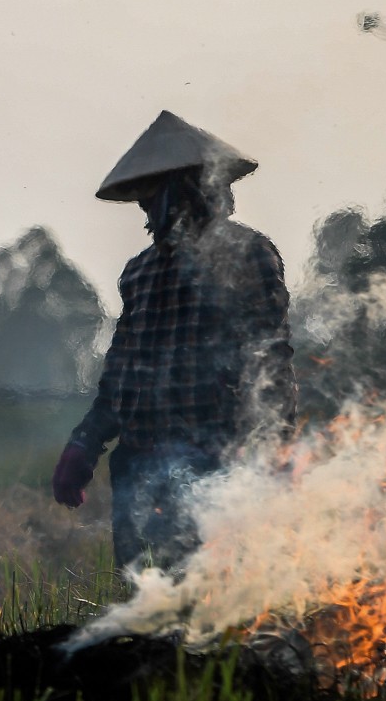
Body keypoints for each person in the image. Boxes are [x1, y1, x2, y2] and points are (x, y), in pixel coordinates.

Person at [51, 111, 296, 568]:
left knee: (210, 608)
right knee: (147, 610)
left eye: (157, 196)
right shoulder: (140, 272)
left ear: (195, 189)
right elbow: (121, 375)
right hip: (141, 469)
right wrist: (84, 443)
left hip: (217, 467)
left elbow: (270, 362)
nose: (149, 210)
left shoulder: (250, 255)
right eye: (145, 199)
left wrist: (276, 449)